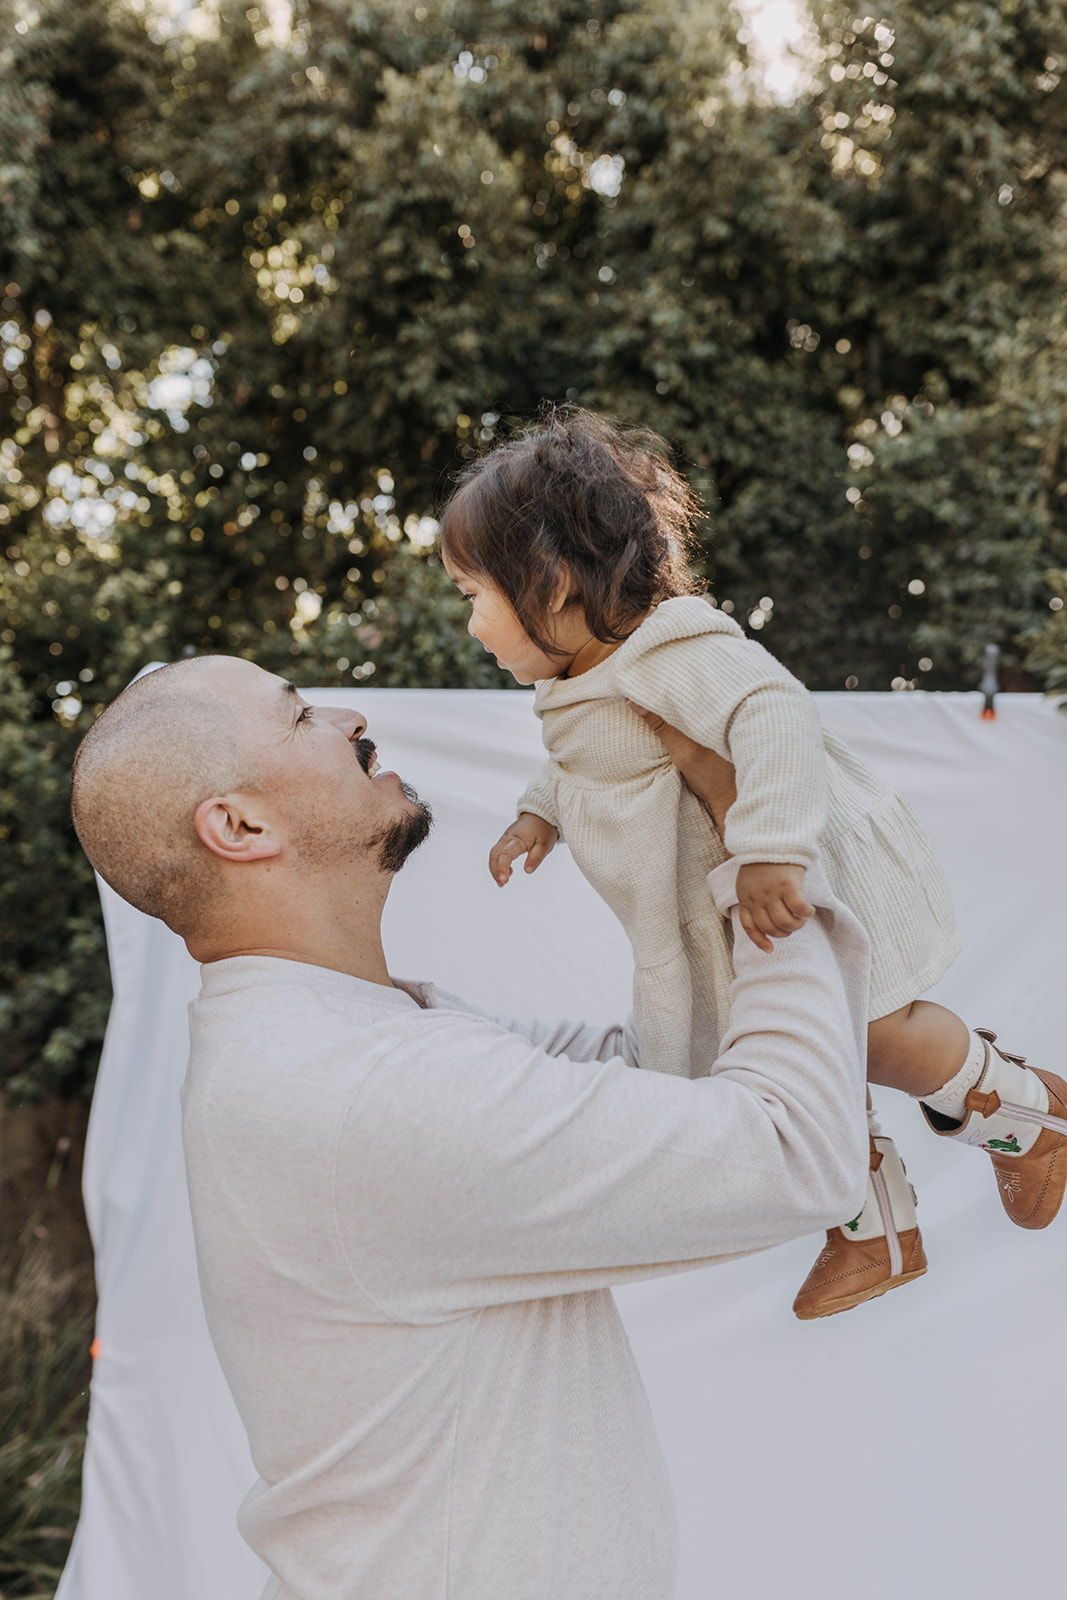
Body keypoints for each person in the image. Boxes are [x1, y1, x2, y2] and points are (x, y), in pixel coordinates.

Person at [70, 652, 872, 1600]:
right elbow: (793, 1150)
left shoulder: (350, 1038)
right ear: (240, 826)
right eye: (297, 716)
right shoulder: (356, 1089)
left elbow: (658, 1068)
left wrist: (704, 827)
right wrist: (766, 844)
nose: (347, 715)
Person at [436, 406, 1067, 1320]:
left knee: (876, 1030)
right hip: (704, 920)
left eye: (471, 593)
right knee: (781, 1064)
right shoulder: (573, 684)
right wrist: (539, 816)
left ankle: (1027, 1117)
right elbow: (582, 760)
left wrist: (771, 848)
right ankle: (871, 1226)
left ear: (553, 581)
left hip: (783, 879)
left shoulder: (667, 645)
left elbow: (771, 713)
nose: (469, 624)